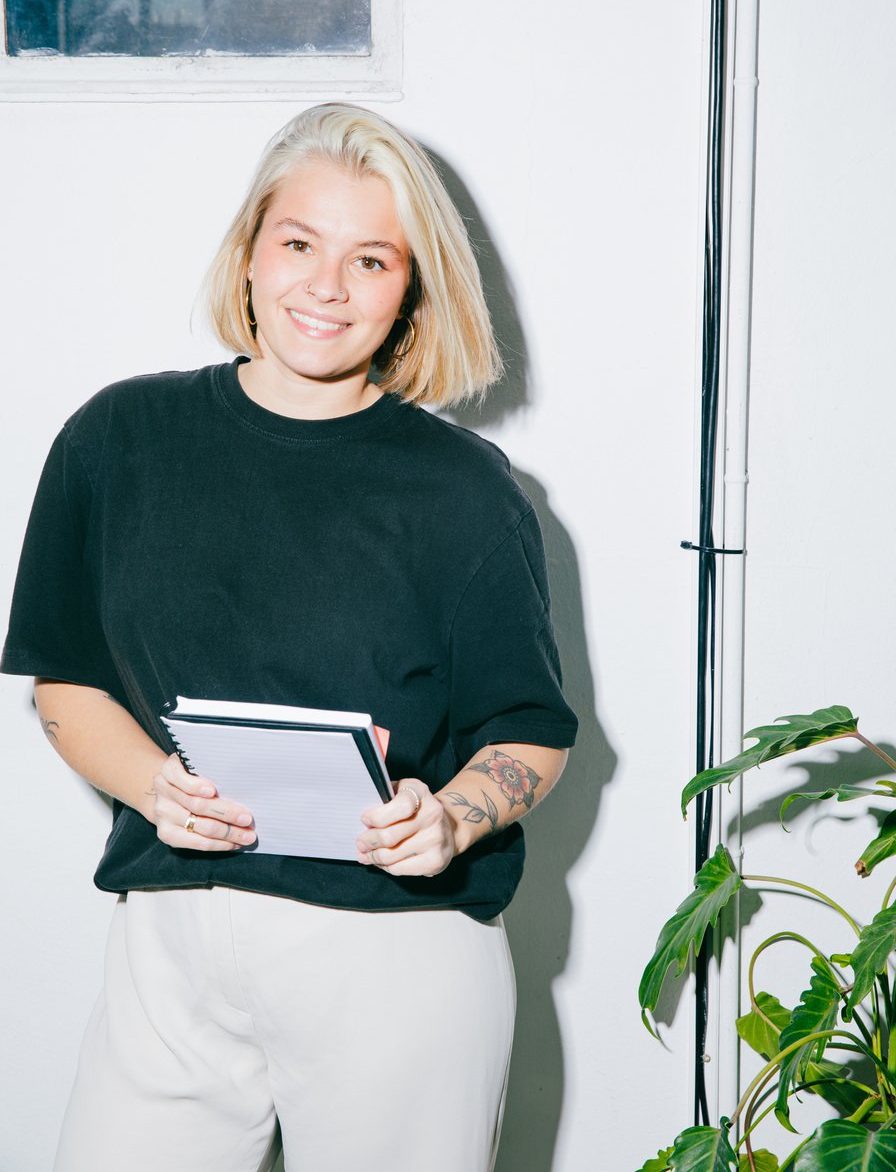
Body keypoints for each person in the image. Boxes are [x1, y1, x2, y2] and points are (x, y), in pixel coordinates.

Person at [1, 104, 577, 1172]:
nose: (326, 286)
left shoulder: (462, 489)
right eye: (299, 245)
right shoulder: (115, 440)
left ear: (410, 291)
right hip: (171, 939)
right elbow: (66, 683)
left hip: (396, 952)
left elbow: (529, 731)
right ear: (250, 253)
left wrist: (451, 816)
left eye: (371, 260)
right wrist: (151, 785)